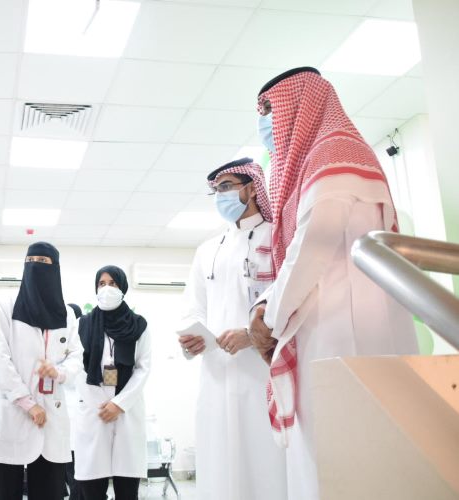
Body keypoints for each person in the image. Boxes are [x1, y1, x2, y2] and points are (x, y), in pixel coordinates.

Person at [249, 67, 418, 500]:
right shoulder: (323, 160)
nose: (265, 121)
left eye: (268, 108)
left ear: (299, 103)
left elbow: (311, 249)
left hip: (344, 333)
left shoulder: (333, 154)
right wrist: (268, 308)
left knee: (349, 466)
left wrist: (270, 317)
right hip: (327, 330)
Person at [179, 158, 287, 500]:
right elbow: (193, 307)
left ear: (251, 188)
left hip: (262, 373)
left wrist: (250, 335)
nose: (220, 196)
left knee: (266, 463)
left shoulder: (278, 238)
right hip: (215, 376)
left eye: (226, 187)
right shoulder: (207, 250)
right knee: (218, 465)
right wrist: (191, 339)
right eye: (215, 190)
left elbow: (288, 302)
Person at [0, 242, 83, 500]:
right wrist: (28, 403)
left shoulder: (66, 314)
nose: (36, 265)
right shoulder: (6, 307)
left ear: (55, 268)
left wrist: (59, 372)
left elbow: (77, 356)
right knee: (2, 491)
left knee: (49, 491)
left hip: (51, 415)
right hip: (11, 411)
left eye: (43, 261)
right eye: (31, 260)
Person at [75, 266, 151, 500]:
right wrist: (102, 403)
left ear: (123, 288)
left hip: (127, 412)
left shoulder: (139, 325)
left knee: (127, 489)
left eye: (113, 284)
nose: (106, 288)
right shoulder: (83, 324)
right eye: (102, 283)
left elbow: (143, 368)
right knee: (92, 489)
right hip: (94, 411)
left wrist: (119, 404)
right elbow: (76, 366)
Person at [64, 303, 83, 500]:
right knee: (72, 471)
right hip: (68, 417)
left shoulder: (77, 345)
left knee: (74, 471)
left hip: (75, 416)